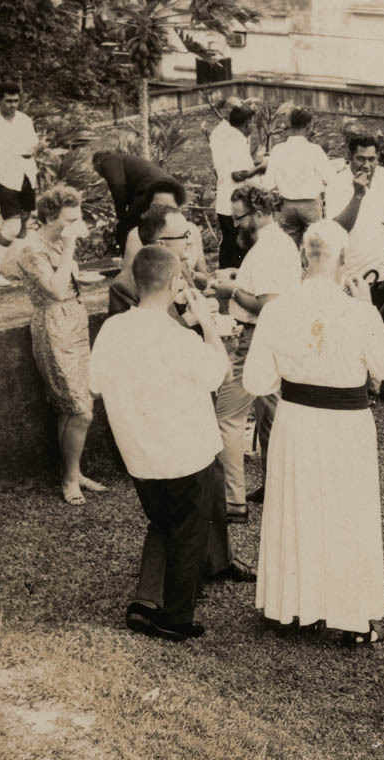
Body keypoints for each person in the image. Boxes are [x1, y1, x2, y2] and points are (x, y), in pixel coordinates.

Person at [244, 220, 384, 645]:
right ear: (344, 260)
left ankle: (290, 609)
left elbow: (257, 381)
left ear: (303, 256)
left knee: (296, 509)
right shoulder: (358, 311)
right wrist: (370, 310)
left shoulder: (276, 310)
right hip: (345, 426)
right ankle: (351, 618)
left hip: (295, 421)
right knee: (346, 514)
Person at [89, 245, 230, 642]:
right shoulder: (177, 337)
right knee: (188, 530)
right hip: (186, 453)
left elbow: (94, 385)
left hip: (138, 452)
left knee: (162, 523)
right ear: (173, 283)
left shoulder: (112, 329)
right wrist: (207, 325)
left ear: (136, 282)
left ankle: (146, 600)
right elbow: (217, 373)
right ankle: (176, 617)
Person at [212, 185, 301, 521]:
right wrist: (240, 279)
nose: (235, 224)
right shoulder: (278, 243)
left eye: (240, 218)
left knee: (227, 417)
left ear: (260, 213)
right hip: (275, 339)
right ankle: (277, 486)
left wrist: (231, 290)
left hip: (255, 339)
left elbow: (268, 304)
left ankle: (232, 500)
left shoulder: (267, 249)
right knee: (271, 417)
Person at [16, 185, 107, 506]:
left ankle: (73, 471)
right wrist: (70, 246)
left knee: (73, 405)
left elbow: (68, 279)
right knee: (80, 411)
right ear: (49, 217)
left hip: (75, 321)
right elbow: (54, 290)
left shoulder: (56, 241)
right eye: (69, 220)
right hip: (54, 326)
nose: (75, 225)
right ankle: (69, 478)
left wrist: (67, 247)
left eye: (77, 218)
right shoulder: (31, 249)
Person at [325, 133, 384, 407]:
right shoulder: (338, 182)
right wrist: (358, 194)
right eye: (361, 159)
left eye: (372, 159)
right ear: (350, 157)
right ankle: (363, 384)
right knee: (357, 326)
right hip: (353, 266)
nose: (367, 165)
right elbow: (339, 226)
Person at [108, 204, 210, 321]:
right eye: (185, 236)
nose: (190, 241)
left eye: (189, 234)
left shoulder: (180, 264)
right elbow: (135, 331)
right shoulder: (124, 287)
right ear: (161, 245)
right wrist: (189, 320)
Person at [0, 82, 38, 287]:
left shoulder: (24, 120)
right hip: (5, 178)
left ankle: (17, 267)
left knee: (24, 222)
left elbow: (32, 148)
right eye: (8, 101)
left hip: (26, 175)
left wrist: (33, 174)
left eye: (16, 100)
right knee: (12, 225)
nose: (13, 105)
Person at [262, 107, 335, 247]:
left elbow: (268, 183)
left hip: (288, 206)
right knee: (315, 246)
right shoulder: (314, 150)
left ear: (289, 124)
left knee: (289, 247)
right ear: (309, 126)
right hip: (311, 206)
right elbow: (331, 178)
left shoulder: (278, 150)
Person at [92, 151, 184, 256]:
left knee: (125, 228)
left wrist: (120, 215)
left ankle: (129, 260)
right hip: (172, 189)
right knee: (159, 225)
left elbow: (117, 185)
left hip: (151, 189)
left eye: (97, 171)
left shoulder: (107, 161)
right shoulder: (126, 159)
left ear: (97, 164)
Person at [211, 105, 264, 268]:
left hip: (224, 203)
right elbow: (237, 174)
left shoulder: (226, 138)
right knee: (239, 248)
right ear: (248, 123)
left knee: (227, 245)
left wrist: (253, 165)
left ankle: (223, 277)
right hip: (235, 206)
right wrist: (260, 168)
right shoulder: (236, 141)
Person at [119, 179, 207, 277]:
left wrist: (191, 275)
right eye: (156, 207)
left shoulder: (192, 230)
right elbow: (127, 278)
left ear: (179, 208)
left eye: (168, 208)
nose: (161, 212)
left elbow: (204, 276)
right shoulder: (137, 234)